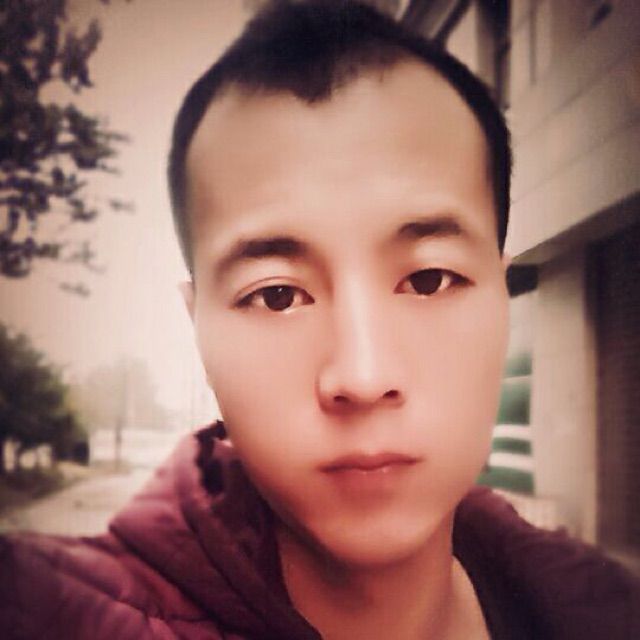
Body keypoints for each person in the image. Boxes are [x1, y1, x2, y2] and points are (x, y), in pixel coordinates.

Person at [1, 1, 638, 638]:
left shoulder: (601, 607)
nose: (363, 377)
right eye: (277, 296)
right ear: (197, 329)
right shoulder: (51, 611)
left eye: (428, 280)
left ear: (503, 296)